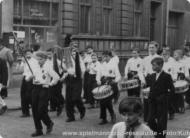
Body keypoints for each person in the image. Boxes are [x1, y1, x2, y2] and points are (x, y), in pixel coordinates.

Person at [28, 51, 60, 137]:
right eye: (38, 59)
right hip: (35, 88)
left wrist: (51, 84)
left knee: (41, 109)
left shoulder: (48, 67)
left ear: (45, 59)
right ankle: (38, 130)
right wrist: (30, 77)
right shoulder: (35, 66)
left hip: (44, 88)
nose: (39, 61)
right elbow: (30, 76)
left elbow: (56, 77)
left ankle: (49, 123)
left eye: (41, 59)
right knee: (34, 110)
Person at [147, 57, 175, 138]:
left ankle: (161, 136)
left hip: (162, 102)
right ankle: (157, 133)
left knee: (162, 122)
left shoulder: (167, 76)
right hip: (152, 101)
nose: (152, 67)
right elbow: (150, 86)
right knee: (150, 120)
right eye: (152, 65)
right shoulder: (151, 76)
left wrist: (166, 99)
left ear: (161, 65)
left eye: (154, 65)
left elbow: (172, 89)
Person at [61, 46, 86, 122]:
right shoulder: (67, 60)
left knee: (76, 97)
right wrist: (63, 76)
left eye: (75, 52)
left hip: (77, 79)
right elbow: (66, 70)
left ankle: (82, 109)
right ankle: (71, 116)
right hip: (69, 79)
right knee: (68, 99)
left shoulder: (80, 60)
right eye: (72, 52)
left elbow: (83, 70)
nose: (74, 53)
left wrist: (79, 74)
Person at [96, 51, 121, 125]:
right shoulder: (101, 65)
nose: (105, 58)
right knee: (102, 101)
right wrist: (98, 80)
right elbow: (98, 74)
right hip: (103, 82)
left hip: (111, 83)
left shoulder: (114, 64)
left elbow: (118, 75)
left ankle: (110, 116)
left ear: (110, 57)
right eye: (104, 56)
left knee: (106, 100)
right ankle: (105, 118)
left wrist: (115, 81)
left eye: (106, 56)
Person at [142, 41, 161, 122]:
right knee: (146, 99)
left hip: (156, 78)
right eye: (150, 47)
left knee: (155, 99)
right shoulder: (145, 59)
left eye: (153, 47)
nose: (151, 49)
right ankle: (146, 118)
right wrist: (143, 80)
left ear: (156, 48)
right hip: (147, 78)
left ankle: (155, 117)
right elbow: (142, 70)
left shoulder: (160, 58)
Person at [20, 49, 37, 117]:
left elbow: (35, 71)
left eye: (29, 53)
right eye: (26, 54)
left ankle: (35, 110)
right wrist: (23, 62)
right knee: (23, 95)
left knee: (29, 96)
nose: (28, 55)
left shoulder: (35, 61)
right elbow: (20, 70)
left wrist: (30, 77)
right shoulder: (24, 60)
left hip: (31, 79)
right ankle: (25, 112)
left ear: (32, 54)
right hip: (25, 78)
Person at [162, 47, 176, 120]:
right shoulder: (161, 62)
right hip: (162, 82)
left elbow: (175, 72)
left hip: (170, 82)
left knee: (169, 99)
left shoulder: (172, 61)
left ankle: (171, 112)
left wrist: (174, 78)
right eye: (163, 54)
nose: (164, 56)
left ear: (169, 55)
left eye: (165, 54)